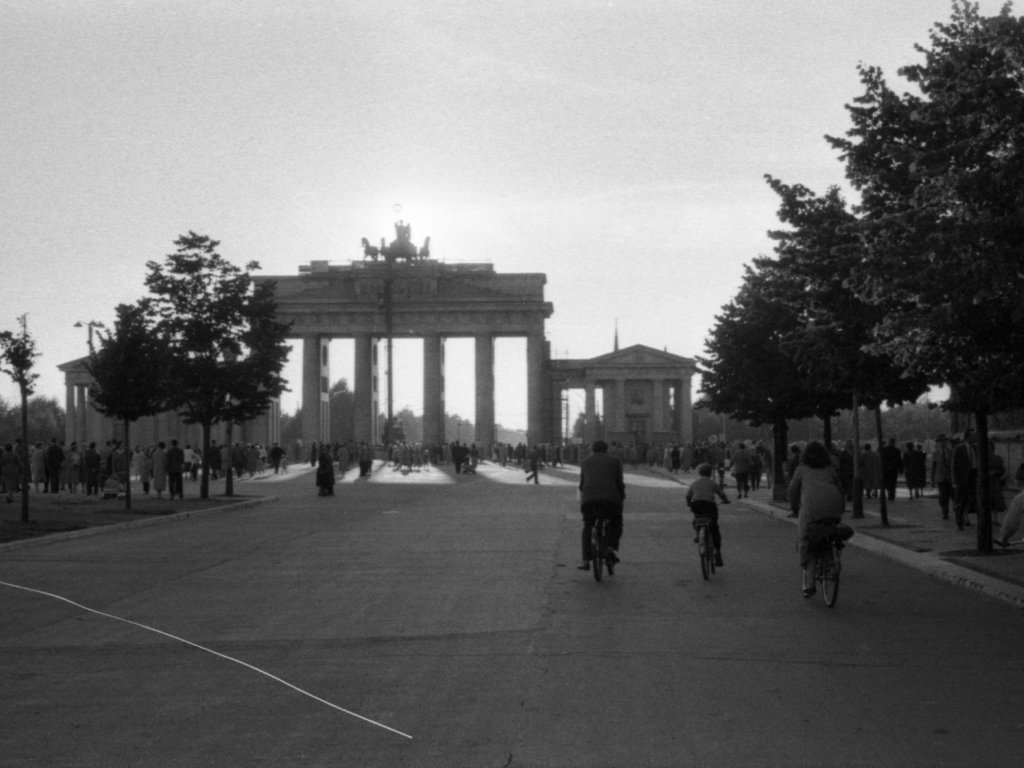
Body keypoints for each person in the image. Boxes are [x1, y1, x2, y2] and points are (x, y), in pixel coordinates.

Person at [789, 441, 847, 598]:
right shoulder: (830, 469)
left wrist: (794, 507)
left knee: (806, 541)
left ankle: (810, 584)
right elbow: (840, 489)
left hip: (811, 510)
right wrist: (841, 507)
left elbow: (793, 490)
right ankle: (834, 555)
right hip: (834, 505)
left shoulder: (801, 469)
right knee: (830, 529)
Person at [577, 440, 625, 571]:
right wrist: (622, 496)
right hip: (610, 500)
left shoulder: (585, 462)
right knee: (616, 523)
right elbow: (619, 482)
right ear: (607, 449)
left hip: (589, 501)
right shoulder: (615, 461)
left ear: (592, 449)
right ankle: (608, 548)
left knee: (588, 527)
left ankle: (586, 561)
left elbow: (582, 485)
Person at [685, 463, 729, 566]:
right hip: (710, 506)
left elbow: (688, 496)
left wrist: (689, 504)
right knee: (714, 529)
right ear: (710, 473)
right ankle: (717, 554)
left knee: (697, 519)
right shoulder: (712, 483)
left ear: (699, 473)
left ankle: (698, 533)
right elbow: (722, 494)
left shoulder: (695, 483)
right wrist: (725, 500)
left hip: (697, 505)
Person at [951, 430, 978, 530]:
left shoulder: (976, 448)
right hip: (962, 479)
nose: (975, 438)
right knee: (961, 501)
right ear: (968, 437)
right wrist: (955, 481)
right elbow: (954, 466)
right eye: (973, 436)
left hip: (974, 476)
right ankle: (959, 522)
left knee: (976, 500)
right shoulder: (959, 449)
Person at [931, 434, 954, 519]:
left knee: (951, 495)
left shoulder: (951, 452)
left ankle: (952, 510)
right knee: (942, 497)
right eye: (940, 441)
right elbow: (933, 467)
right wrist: (932, 479)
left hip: (950, 477)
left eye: (944, 441)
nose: (942, 443)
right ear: (938, 443)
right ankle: (945, 512)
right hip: (940, 478)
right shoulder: (935, 453)